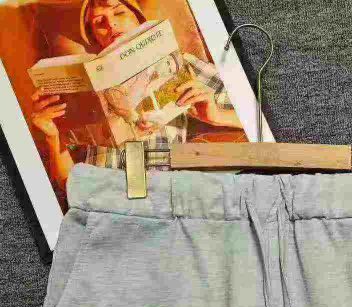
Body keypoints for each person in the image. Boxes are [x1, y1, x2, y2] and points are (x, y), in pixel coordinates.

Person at [30, 0, 242, 200]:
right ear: (95, 38)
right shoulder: (85, 89)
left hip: (158, 193)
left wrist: (216, 116)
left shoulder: (179, 63)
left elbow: (253, 112)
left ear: (138, 19)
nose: (110, 24)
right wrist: (52, 136)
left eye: (119, 12)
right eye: (99, 22)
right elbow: (68, 185)